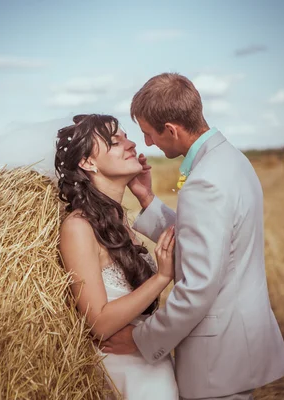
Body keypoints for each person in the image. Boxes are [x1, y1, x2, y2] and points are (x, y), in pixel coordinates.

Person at [99, 73, 284, 400]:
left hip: (218, 357)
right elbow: (206, 243)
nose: (146, 144)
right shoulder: (230, 159)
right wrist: (147, 199)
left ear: (172, 130)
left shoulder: (204, 182)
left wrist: (139, 338)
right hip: (236, 345)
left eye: (148, 134)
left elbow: (198, 289)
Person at [54, 114, 179, 399]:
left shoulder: (119, 219)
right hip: (124, 367)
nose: (132, 144)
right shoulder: (79, 227)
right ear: (87, 163)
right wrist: (161, 277)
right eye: (114, 142)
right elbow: (98, 323)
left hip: (148, 359)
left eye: (126, 137)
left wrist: (145, 195)